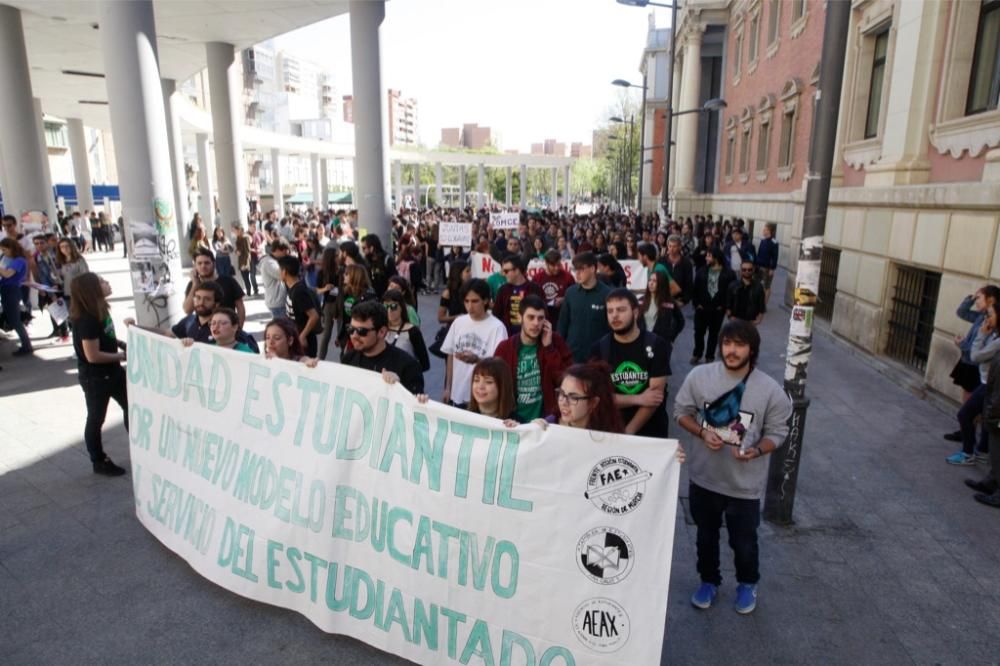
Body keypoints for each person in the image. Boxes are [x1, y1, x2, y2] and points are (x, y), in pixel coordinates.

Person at [673, 319, 792, 615]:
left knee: (745, 543)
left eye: (739, 344)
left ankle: (747, 583)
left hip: (745, 485)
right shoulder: (700, 377)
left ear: (752, 349)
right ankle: (708, 580)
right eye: (727, 343)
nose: (732, 350)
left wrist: (756, 451)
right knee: (705, 537)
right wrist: (701, 432)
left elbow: (778, 432)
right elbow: (681, 413)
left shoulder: (770, 390)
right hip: (704, 478)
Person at [69, 272, 128, 476]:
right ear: (92, 290)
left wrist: (119, 344)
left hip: (112, 372)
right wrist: (121, 356)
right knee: (96, 418)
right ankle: (98, 460)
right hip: (96, 377)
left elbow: (107, 337)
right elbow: (92, 355)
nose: (107, 283)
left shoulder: (100, 310)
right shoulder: (87, 319)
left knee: (131, 406)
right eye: (102, 282)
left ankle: (139, 446)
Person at [590, 289, 671, 438]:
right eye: (610, 311)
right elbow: (599, 398)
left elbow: (655, 398)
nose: (614, 315)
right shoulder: (599, 349)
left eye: (621, 310)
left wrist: (629, 431)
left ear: (635, 312)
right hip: (611, 430)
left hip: (651, 433)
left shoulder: (656, 344)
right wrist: (638, 398)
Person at [494, 294, 573, 424]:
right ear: (520, 318)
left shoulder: (556, 341)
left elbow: (564, 380)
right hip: (513, 420)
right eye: (531, 317)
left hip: (546, 420)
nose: (536, 323)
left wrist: (549, 348)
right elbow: (495, 384)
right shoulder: (505, 348)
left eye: (540, 318)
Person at [441, 278, 508, 407]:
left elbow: (499, 364)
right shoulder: (458, 322)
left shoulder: (497, 327)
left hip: (483, 398)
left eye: (475, 301)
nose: (470, 306)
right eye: (466, 301)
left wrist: (477, 359)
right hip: (458, 394)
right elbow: (450, 355)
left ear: (486, 300)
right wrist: (448, 388)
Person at [947, 286, 1000, 442]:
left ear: (990, 299)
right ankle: (966, 431)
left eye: (979, 298)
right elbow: (961, 312)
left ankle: (969, 436)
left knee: (972, 405)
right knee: (968, 400)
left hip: (976, 365)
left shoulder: (991, 320)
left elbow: (982, 349)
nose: (976, 301)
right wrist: (970, 298)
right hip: (968, 362)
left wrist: (962, 344)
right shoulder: (982, 316)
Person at [342, 301, 424, 394]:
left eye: (362, 331)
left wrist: (399, 387)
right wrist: (322, 369)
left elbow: (415, 404)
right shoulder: (348, 359)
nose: (354, 336)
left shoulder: (408, 367)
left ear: (382, 332)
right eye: (350, 329)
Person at [966, 329, 1000, 508]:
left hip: (997, 411)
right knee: (995, 450)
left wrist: (993, 412)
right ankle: (992, 482)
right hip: (994, 406)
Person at [557, 252, 611, 363]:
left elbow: (611, 328)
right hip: (572, 355)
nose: (577, 274)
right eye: (575, 270)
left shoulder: (607, 294)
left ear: (592, 269)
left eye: (581, 269)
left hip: (598, 357)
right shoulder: (570, 293)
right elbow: (562, 324)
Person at [539, 363, 624, 433]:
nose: (563, 402)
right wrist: (533, 431)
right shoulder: (549, 425)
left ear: (593, 402)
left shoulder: (608, 434)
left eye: (573, 397)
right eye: (561, 393)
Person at [691, 247, 735, 364]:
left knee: (714, 334)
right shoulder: (701, 271)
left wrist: (724, 306)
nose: (706, 258)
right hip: (702, 308)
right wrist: (696, 304)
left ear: (716, 257)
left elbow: (731, 292)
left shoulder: (728, 274)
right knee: (699, 332)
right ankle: (697, 353)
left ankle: (709, 356)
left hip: (717, 310)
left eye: (709, 256)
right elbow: (695, 289)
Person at [183, 249, 246, 328]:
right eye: (199, 263)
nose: (203, 266)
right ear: (195, 266)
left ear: (214, 264)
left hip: (226, 330)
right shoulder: (193, 285)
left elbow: (240, 307)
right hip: (203, 331)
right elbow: (187, 310)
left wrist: (238, 329)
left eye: (207, 263)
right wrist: (195, 284)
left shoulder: (229, 281)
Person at [278, 255, 321, 358]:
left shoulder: (299, 291)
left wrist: (302, 336)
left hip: (305, 343)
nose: (278, 273)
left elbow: (314, 316)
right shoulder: (292, 288)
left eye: (279, 270)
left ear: (284, 272)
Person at [494, 254, 546, 335]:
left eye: (506, 271)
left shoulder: (535, 288)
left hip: (532, 335)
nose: (504, 274)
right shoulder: (503, 290)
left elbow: (544, 313)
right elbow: (496, 314)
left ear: (517, 270)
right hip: (508, 336)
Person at [383, 288, 430, 372]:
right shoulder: (380, 329)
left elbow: (425, 364)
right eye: (386, 306)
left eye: (394, 306)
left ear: (402, 307)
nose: (389, 310)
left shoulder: (412, 331)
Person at [0, 238, 33, 355]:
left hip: (11, 290)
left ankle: (26, 346)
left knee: (15, 321)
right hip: (6, 290)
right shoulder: (10, 259)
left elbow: (8, 274)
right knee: (14, 319)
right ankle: (26, 345)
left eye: (5, 250)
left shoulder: (19, 260)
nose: (4, 252)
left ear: (11, 248)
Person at [336, 263, 377, 354]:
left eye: (347, 274)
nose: (344, 276)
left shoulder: (368, 296)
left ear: (355, 276)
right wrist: (341, 336)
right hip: (348, 335)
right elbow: (346, 318)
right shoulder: (347, 292)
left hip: (361, 336)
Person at [533, 249, 575, 324]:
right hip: (542, 318)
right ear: (546, 263)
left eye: (559, 264)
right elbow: (532, 298)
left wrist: (564, 299)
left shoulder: (568, 277)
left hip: (562, 318)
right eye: (553, 265)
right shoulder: (537, 278)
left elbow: (575, 296)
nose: (556, 268)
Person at [468, 357, 518, 422]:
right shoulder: (460, 413)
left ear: (502, 386)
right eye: (476, 380)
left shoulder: (516, 422)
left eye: (488, 381)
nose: (480, 386)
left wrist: (516, 429)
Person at [642, 270, 683, 345]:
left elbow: (680, 321)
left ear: (662, 283)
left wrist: (671, 337)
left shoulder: (670, 302)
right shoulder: (641, 301)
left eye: (655, 281)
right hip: (643, 342)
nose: (651, 283)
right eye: (650, 280)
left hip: (661, 344)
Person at [316, 245, 341, 361]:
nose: (338, 257)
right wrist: (325, 288)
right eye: (336, 256)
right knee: (326, 335)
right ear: (330, 258)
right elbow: (316, 289)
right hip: (329, 304)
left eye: (338, 255)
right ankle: (320, 360)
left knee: (342, 334)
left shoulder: (342, 270)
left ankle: (344, 359)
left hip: (341, 304)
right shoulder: (322, 272)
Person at [726, 259, 767, 325]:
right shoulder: (733, 286)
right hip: (735, 321)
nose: (747, 271)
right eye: (744, 269)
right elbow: (728, 304)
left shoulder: (758, 287)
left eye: (749, 269)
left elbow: (761, 306)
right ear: (740, 270)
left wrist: (758, 320)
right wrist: (730, 317)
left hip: (750, 321)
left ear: (753, 270)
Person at [260, 238, 289, 319]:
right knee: (282, 328)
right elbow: (283, 276)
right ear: (277, 250)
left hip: (278, 300)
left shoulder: (274, 260)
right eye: (284, 252)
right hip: (276, 301)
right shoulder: (269, 262)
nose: (286, 254)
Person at [362, 233, 396, 298]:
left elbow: (393, 279)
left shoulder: (387, 260)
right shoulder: (366, 261)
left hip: (385, 297)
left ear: (371, 248)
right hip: (372, 297)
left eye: (364, 248)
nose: (363, 251)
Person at [754, 223, 778, 305]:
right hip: (759, 266)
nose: (763, 231)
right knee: (757, 285)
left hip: (767, 268)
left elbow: (775, 256)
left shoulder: (774, 242)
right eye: (763, 230)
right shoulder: (763, 240)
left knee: (766, 287)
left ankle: (763, 305)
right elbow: (759, 253)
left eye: (765, 230)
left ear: (769, 231)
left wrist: (772, 268)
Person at [233, 223, 253, 296]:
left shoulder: (245, 238)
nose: (234, 233)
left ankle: (249, 292)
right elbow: (238, 249)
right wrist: (236, 252)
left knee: (246, 277)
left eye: (235, 231)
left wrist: (246, 263)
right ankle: (248, 291)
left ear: (239, 230)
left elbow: (248, 251)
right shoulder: (238, 238)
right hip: (240, 259)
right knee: (244, 277)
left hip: (245, 260)